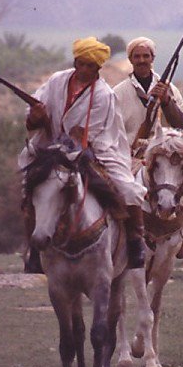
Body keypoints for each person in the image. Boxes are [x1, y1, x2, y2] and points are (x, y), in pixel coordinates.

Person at [18, 36, 147, 273]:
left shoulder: (103, 95)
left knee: (128, 188)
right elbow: (35, 110)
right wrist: (35, 117)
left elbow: (91, 136)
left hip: (96, 150)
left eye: (90, 66)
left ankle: (135, 239)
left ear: (98, 68)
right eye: (81, 63)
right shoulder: (57, 81)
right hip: (52, 147)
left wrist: (66, 145)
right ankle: (33, 248)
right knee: (31, 184)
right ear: (75, 62)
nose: (84, 69)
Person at [112, 36, 183, 257]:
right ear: (131, 60)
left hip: (166, 150)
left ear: (153, 58)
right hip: (130, 153)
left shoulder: (169, 89)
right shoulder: (119, 92)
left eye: (146, 56)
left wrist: (166, 101)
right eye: (137, 56)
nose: (142, 60)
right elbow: (114, 129)